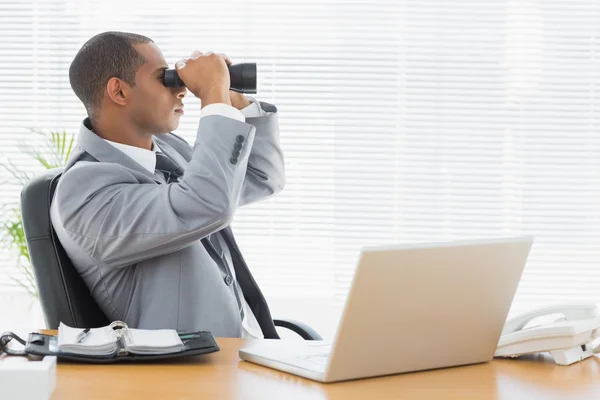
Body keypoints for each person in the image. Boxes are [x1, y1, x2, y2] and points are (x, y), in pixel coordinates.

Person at [50, 31, 285, 339]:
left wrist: (231, 99)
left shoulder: (170, 149)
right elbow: (208, 204)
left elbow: (262, 176)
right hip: (186, 373)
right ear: (119, 92)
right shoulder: (82, 191)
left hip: (243, 353)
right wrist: (213, 93)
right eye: (166, 78)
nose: (182, 91)